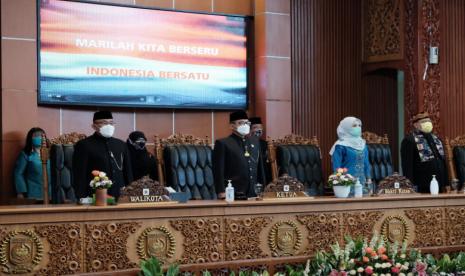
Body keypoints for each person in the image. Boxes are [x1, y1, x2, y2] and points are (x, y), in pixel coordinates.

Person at [73, 111, 133, 199]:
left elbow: (128, 172)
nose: (109, 126)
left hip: (120, 196)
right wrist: (82, 197)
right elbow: (79, 174)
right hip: (95, 197)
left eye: (111, 123)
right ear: (94, 126)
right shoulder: (84, 145)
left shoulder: (121, 145)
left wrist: (130, 192)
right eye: (104, 123)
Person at [213, 111, 266, 199]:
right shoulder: (223, 143)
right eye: (241, 123)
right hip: (233, 192)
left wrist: (263, 188)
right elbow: (218, 170)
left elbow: (260, 168)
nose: (245, 125)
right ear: (232, 126)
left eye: (247, 123)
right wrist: (221, 191)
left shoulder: (255, 141)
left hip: (254, 192)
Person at [401, 112, 448, 193]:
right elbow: (407, 166)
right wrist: (409, 186)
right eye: (423, 122)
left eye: (429, 121)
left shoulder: (436, 139)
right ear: (415, 125)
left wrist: (446, 182)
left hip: (439, 182)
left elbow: (442, 161)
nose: (428, 124)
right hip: (422, 184)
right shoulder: (409, 140)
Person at [330, 117, 372, 194]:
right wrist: (340, 181)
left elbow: (366, 163)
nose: (358, 128)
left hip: (363, 184)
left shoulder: (362, 144)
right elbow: (336, 166)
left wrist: (369, 178)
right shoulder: (340, 145)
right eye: (354, 125)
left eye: (359, 125)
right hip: (346, 185)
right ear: (346, 128)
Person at [14, 127, 51, 200]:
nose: (39, 137)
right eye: (36, 136)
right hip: (33, 192)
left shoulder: (50, 152)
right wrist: (20, 192)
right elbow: (18, 174)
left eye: (41, 135)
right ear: (30, 138)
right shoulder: (25, 154)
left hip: (50, 192)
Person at [249, 117, 272, 183]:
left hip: (264, 175)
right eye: (255, 127)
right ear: (250, 130)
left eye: (260, 127)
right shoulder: (246, 143)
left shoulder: (266, 144)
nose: (259, 129)